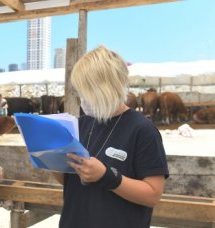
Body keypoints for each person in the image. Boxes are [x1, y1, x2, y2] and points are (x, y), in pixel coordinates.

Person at [55, 46, 169, 228]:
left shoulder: (142, 129)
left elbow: (153, 195)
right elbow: (68, 181)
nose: (82, 99)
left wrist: (107, 176)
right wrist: (50, 161)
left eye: (87, 93)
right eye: (80, 93)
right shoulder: (79, 125)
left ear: (108, 89)